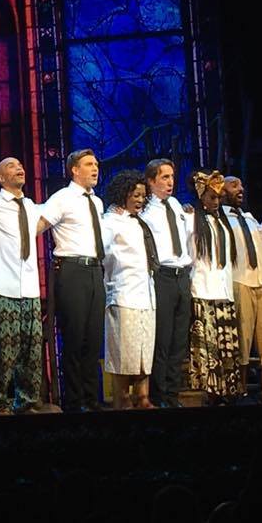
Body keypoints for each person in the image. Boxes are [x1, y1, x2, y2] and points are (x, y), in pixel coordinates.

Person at [40, 148, 106, 412]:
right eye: (89, 164)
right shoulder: (62, 198)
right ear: (74, 170)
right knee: (75, 337)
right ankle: (74, 401)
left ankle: (91, 398)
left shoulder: (97, 202)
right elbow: (37, 226)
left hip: (95, 271)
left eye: (96, 164)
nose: (95, 168)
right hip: (72, 271)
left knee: (93, 338)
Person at [0, 157, 47, 413]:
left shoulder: (30, 206)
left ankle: (27, 402)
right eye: (11, 166)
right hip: (2, 286)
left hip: (30, 288)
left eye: (20, 165)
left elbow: (56, 212)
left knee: (31, 350)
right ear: (0, 178)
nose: (19, 168)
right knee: (2, 350)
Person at [100, 170, 158, 409]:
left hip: (146, 295)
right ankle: (122, 399)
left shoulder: (140, 222)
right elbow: (100, 254)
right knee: (124, 352)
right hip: (123, 294)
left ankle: (143, 397)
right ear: (123, 194)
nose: (140, 200)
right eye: (136, 195)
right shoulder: (110, 221)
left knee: (144, 349)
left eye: (143, 196)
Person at [223, 176, 262, 401]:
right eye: (234, 185)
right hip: (240, 281)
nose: (241, 189)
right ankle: (240, 389)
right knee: (243, 340)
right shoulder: (220, 218)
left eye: (241, 185)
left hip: (261, 282)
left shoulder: (248, 218)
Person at [139, 157, 192, 408]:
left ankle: (173, 394)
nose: (170, 182)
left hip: (182, 275)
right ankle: (159, 396)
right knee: (163, 338)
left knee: (179, 340)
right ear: (151, 181)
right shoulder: (145, 210)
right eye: (164, 177)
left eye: (172, 177)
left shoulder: (175, 204)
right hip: (163, 276)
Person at [188, 169, 242, 403]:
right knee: (208, 346)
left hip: (223, 291)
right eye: (212, 197)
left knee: (225, 345)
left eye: (219, 197)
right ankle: (209, 392)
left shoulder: (223, 221)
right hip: (203, 289)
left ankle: (227, 390)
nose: (216, 202)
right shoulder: (191, 219)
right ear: (201, 197)